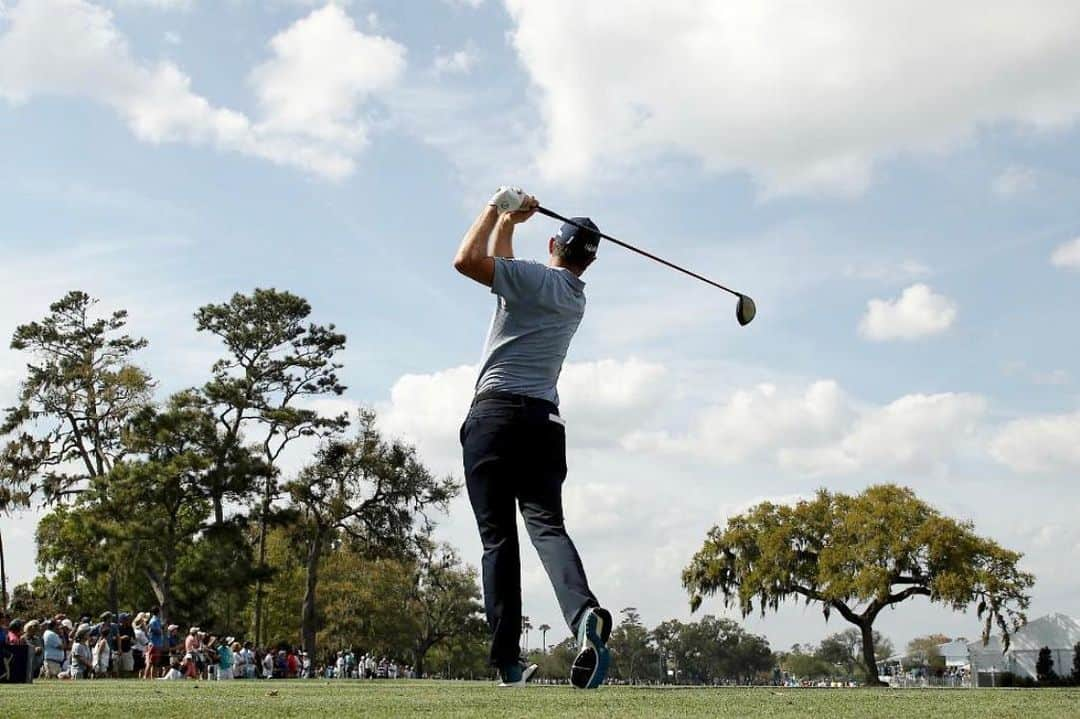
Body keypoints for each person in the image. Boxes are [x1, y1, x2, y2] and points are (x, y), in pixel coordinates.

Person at [453, 186, 612, 689]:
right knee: (547, 527)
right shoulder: (573, 297)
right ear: (589, 262)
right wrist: (510, 223)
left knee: (498, 540)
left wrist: (493, 207)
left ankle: (509, 664)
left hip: (495, 417)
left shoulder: (530, 280)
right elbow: (503, 267)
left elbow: (466, 261)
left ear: (553, 243)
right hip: (544, 425)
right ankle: (583, 611)